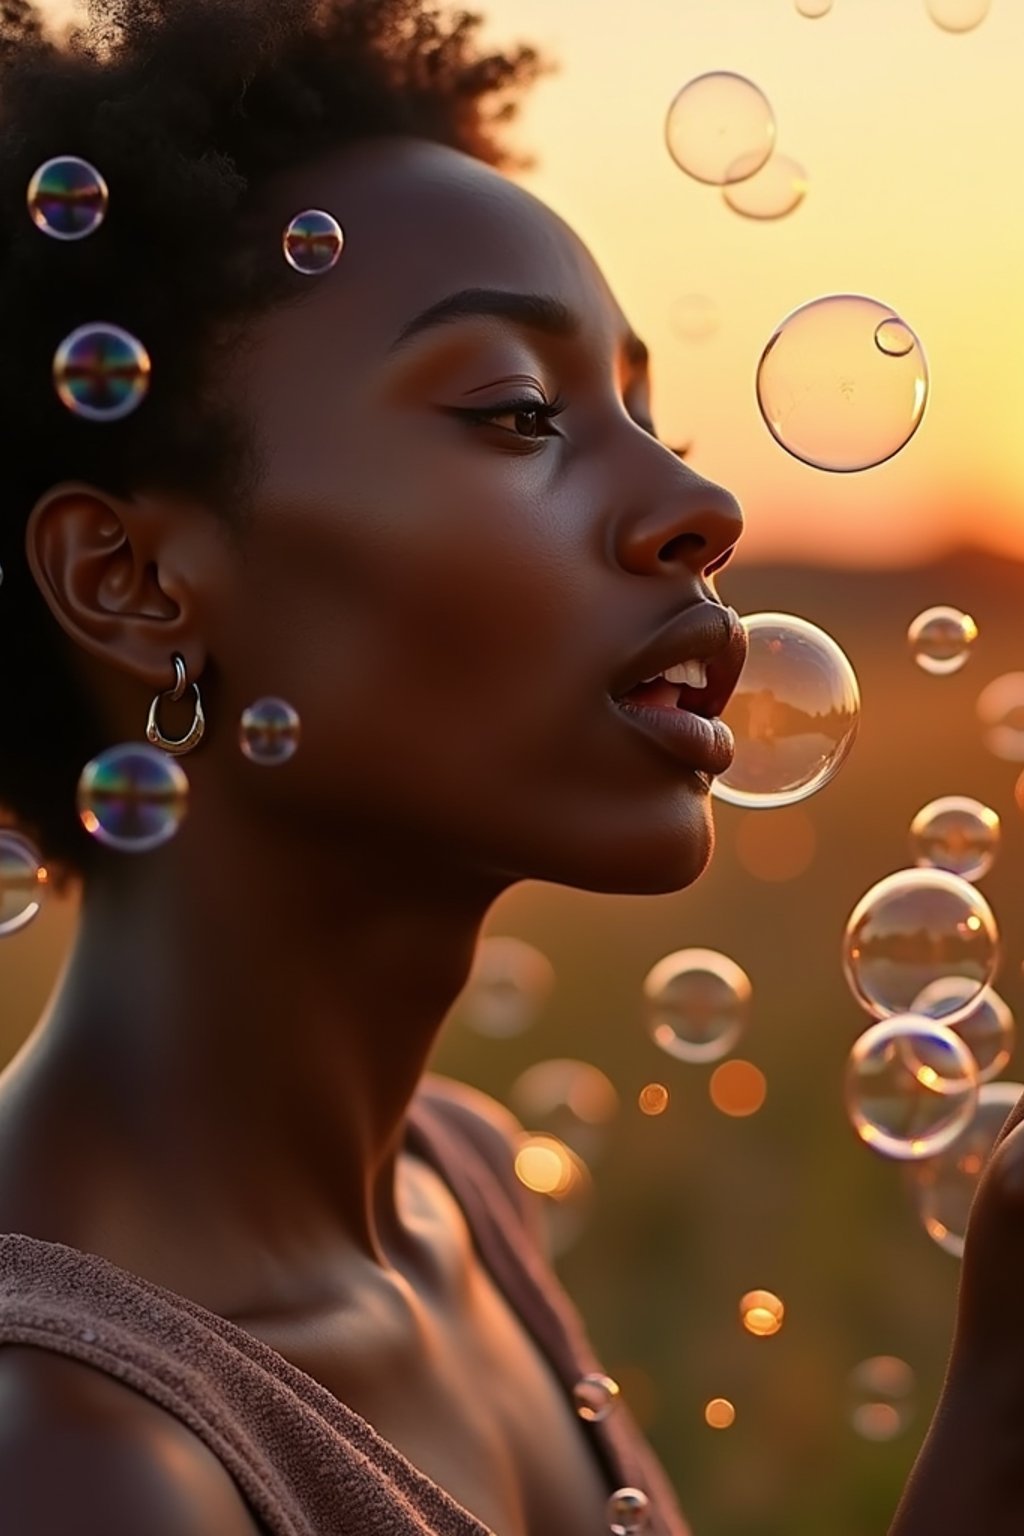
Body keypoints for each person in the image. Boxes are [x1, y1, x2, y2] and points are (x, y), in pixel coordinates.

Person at [0, 3, 1018, 1533]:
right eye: (520, 412)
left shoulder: (455, 1193)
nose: (699, 502)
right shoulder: (75, 1458)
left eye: (645, 413)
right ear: (133, 582)